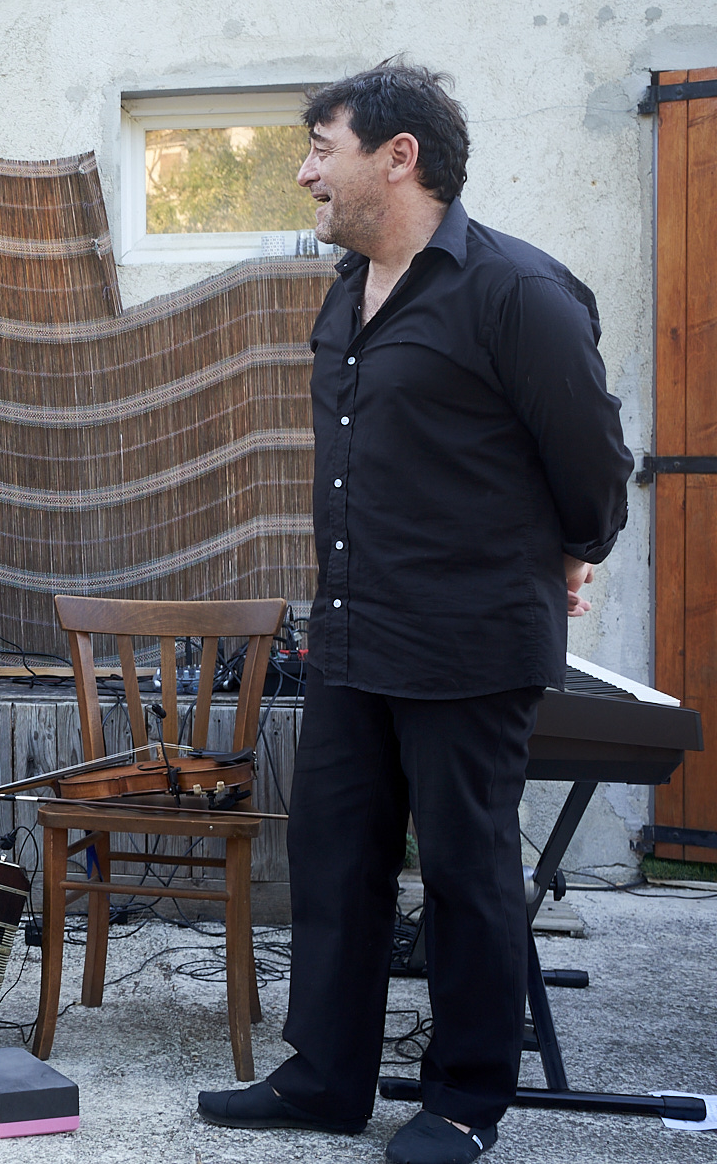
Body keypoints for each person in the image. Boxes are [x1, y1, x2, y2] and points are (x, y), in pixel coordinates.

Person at [197, 63, 632, 1163]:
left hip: (470, 636)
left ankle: (464, 1100)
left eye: (321, 149)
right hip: (353, 629)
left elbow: (592, 465)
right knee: (334, 859)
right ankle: (325, 1079)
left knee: (465, 872)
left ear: (399, 157)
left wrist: (569, 552)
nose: (306, 174)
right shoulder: (347, 291)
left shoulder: (517, 291)